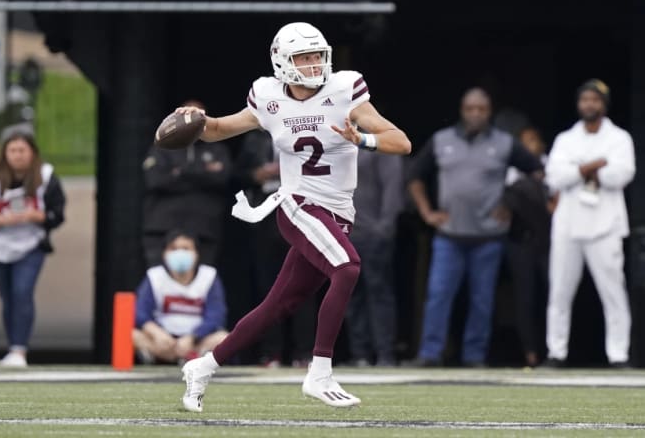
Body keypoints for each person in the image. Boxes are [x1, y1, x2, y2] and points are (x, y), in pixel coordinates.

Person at [177, 21, 411, 411]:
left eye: (317, 55)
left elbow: (400, 142)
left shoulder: (345, 90)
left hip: (338, 211)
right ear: (282, 61)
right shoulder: (267, 96)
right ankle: (320, 372)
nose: (313, 64)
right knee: (348, 267)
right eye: (304, 57)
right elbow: (219, 129)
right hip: (298, 204)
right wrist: (195, 119)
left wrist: (363, 139)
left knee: (279, 305)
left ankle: (203, 365)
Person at [406, 88, 543, 367]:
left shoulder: (505, 143)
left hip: (488, 236)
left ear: (489, 111)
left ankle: (474, 356)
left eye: (481, 109)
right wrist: (427, 212)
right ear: (462, 110)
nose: (475, 114)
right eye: (470, 108)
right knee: (438, 295)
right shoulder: (442, 140)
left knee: (482, 300)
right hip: (449, 235)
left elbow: (536, 170)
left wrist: (510, 201)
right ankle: (430, 353)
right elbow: (415, 176)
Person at [543, 79, 635, 368]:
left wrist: (580, 170)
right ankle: (556, 352)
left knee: (613, 291)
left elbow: (621, 174)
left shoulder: (619, 138)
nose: (589, 105)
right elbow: (554, 177)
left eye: (594, 100)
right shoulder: (566, 139)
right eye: (585, 100)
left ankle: (618, 355)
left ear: (604, 104)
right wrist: (591, 166)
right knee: (559, 291)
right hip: (568, 224)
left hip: (605, 224)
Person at [233, 129, 316, 368]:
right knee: (269, 287)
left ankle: (305, 353)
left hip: (300, 211)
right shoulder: (255, 138)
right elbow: (236, 174)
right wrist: (255, 174)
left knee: (304, 284)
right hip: (266, 212)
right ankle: (272, 353)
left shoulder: (307, 129)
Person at [0, 131, 66, 367]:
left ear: (32, 153)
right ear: (5, 154)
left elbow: (57, 214)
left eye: (22, 150)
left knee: (22, 292)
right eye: (13, 150)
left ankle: (19, 350)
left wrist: (38, 216)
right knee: (7, 297)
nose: (18, 155)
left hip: (31, 243)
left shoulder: (46, 176)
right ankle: (12, 347)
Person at [142, 99, 232, 268]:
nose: (193, 122)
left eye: (199, 117)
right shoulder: (162, 146)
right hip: (163, 225)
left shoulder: (217, 149)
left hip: (204, 227)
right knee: (159, 282)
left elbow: (223, 179)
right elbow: (154, 180)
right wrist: (202, 172)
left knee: (203, 283)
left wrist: (179, 172)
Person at [133, 229, 229, 364]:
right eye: (173, 249)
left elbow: (216, 315)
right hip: (164, 338)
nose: (180, 253)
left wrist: (193, 337)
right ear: (164, 253)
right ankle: (170, 357)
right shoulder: (155, 276)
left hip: (196, 340)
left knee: (223, 338)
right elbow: (140, 313)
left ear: (196, 253)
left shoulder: (208, 276)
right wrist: (157, 333)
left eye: (186, 248)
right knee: (131, 335)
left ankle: (194, 356)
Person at [502, 126, 556, 367]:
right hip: (520, 242)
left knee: (553, 296)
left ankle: (554, 350)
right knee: (524, 298)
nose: (528, 146)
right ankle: (530, 352)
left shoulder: (553, 169)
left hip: (548, 243)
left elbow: (558, 201)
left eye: (532, 141)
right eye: (523, 142)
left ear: (541, 145)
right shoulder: (511, 174)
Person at [345, 149, 404, 367]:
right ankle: (359, 353)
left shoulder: (380, 144)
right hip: (346, 233)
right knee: (350, 295)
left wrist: (385, 228)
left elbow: (393, 188)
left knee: (378, 292)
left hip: (372, 232)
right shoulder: (336, 141)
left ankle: (385, 353)